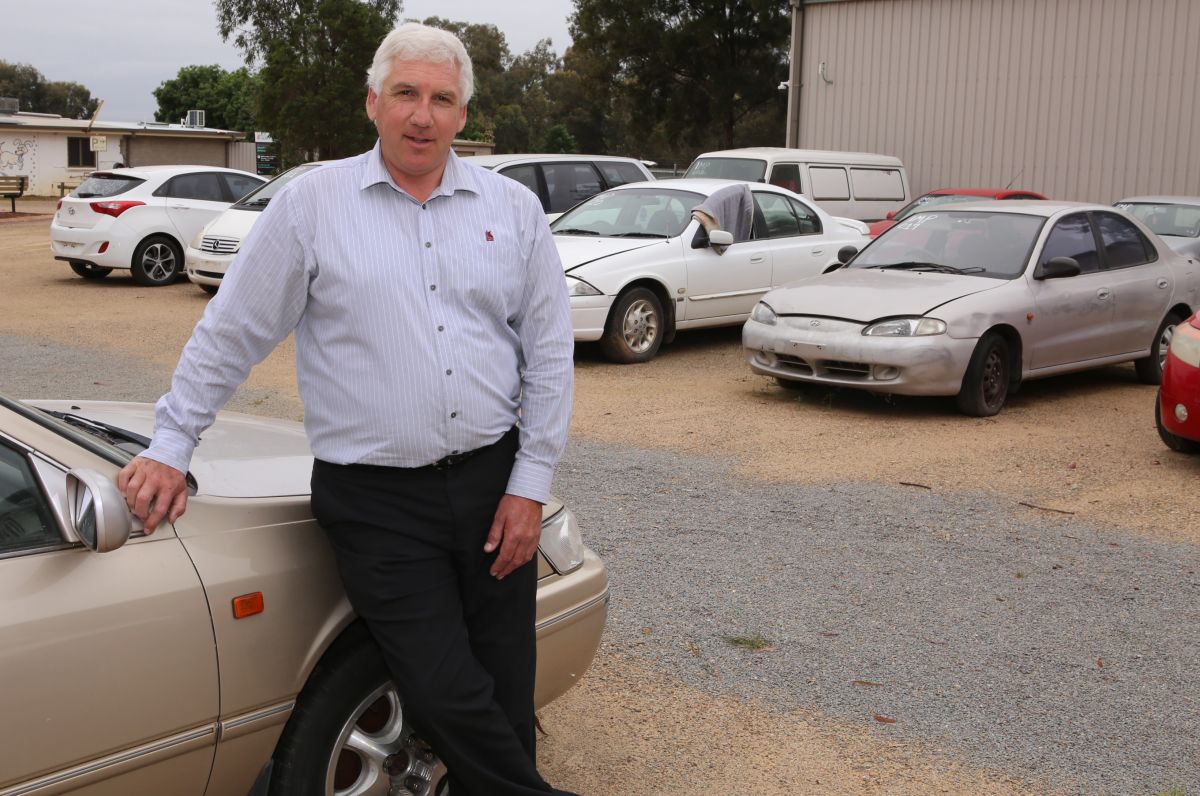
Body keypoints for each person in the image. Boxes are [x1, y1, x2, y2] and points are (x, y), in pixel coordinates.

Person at [116, 21, 577, 796]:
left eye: (441, 98)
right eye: (405, 94)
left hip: (496, 486)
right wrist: (171, 443)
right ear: (372, 102)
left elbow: (549, 353)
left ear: (464, 113)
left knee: (504, 680)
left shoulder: (514, 210)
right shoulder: (311, 207)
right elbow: (233, 331)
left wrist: (530, 483)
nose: (421, 115)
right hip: (376, 501)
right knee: (442, 686)